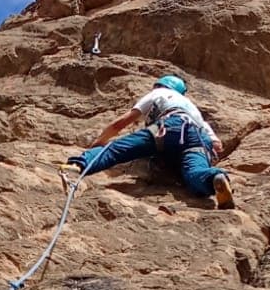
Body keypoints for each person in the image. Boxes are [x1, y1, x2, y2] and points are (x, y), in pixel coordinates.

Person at [69, 74, 234, 207]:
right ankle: (214, 178)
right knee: (194, 174)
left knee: (116, 150)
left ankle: (78, 166)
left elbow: (121, 123)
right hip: (198, 139)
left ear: (160, 86)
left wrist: (98, 143)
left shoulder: (159, 93)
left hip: (170, 127)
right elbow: (216, 145)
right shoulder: (192, 107)